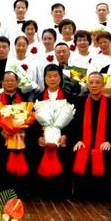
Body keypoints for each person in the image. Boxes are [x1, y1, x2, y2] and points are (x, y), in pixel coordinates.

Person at [69, 73, 111, 200]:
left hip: (103, 141)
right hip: (83, 140)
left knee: (103, 152)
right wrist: (77, 140)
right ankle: (80, 194)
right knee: (80, 151)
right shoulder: (79, 102)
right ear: (87, 85)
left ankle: (101, 194)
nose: (94, 85)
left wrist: (110, 141)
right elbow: (74, 125)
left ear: (103, 85)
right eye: (91, 82)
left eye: (97, 82)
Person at [32, 64, 72, 198]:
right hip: (42, 139)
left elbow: (74, 121)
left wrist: (66, 136)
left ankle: (61, 192)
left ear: (61, 78)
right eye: (49, 76)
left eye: (55, 76)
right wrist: (38, 136)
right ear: (44, 78)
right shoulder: (37, 96)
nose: (52, 79)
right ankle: (42, 191)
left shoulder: (69, 96)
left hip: (62, 139)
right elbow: (31, 120)